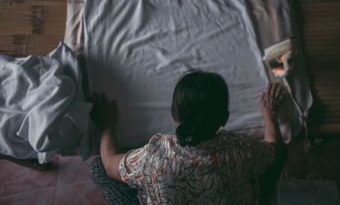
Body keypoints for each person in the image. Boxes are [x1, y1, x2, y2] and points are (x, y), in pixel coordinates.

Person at [89, 70, 287, 204]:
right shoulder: (241, 149)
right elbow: (275, 150)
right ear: (225, 119)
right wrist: (270, 115)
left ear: (173, 114)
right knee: (274, 156)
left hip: (154, 172)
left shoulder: (155, 155)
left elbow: (109, 165)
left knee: (98, 167)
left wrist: (107, 126)